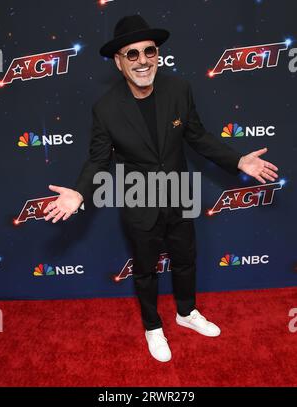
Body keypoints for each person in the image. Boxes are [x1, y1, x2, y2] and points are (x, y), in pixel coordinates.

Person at [44, 15, 278, 362]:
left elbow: (198, 137)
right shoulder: (106, 109)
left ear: (158, 54)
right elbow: (97, 161)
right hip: (140, 198)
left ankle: (186, 313)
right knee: (145, 269)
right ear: (119, 62)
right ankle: (153, 326)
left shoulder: (179, 89)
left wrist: (237, 161)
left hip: (179, 192)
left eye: (148, 51)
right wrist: (79, 193)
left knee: (186, 260)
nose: (142, 60)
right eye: (132, 54)